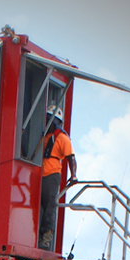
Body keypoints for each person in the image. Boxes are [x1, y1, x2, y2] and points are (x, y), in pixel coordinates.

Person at [38, 105, 77, 251]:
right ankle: (36, 236)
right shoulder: (44, 136)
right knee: (38, 206)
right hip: (37, 174)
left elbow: (71, 158)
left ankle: (46, 240)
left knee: (49, 207)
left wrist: (73, 175)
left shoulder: (62, 138)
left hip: (51, 175)